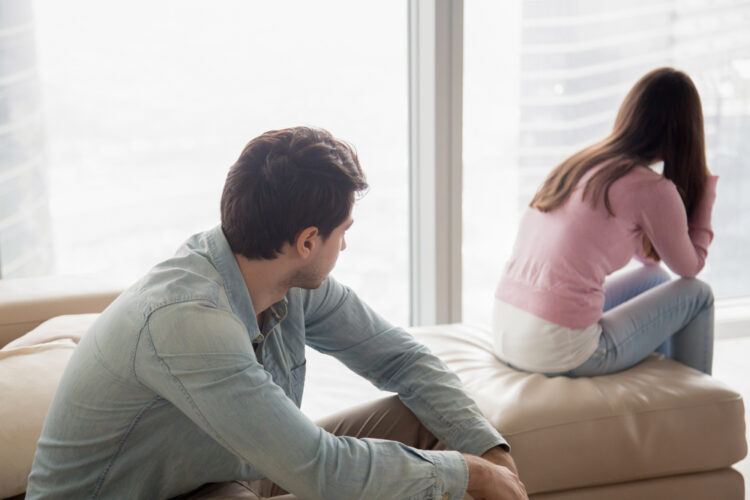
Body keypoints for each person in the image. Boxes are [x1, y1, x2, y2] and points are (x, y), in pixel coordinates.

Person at [27, 127, 527, 500]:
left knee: (423, 425)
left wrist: (491, 455)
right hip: (178, 492)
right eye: (343, 230)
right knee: (437, 477)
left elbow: (401, 358)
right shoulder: (187, 318)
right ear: (307, 241)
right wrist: (472, 475)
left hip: (218, 479)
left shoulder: (284, 276)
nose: (346, 244)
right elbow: (317, 467)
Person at [493, 67, 717, 378]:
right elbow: (690, 268)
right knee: (699, 295)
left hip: (507, 330)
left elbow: (645, 256)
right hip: (559, 349)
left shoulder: (583, 163)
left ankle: (666, 388)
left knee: (655, 279)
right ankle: (695, 399)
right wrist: (705, 195)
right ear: (686, 133)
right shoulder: (652, 188)